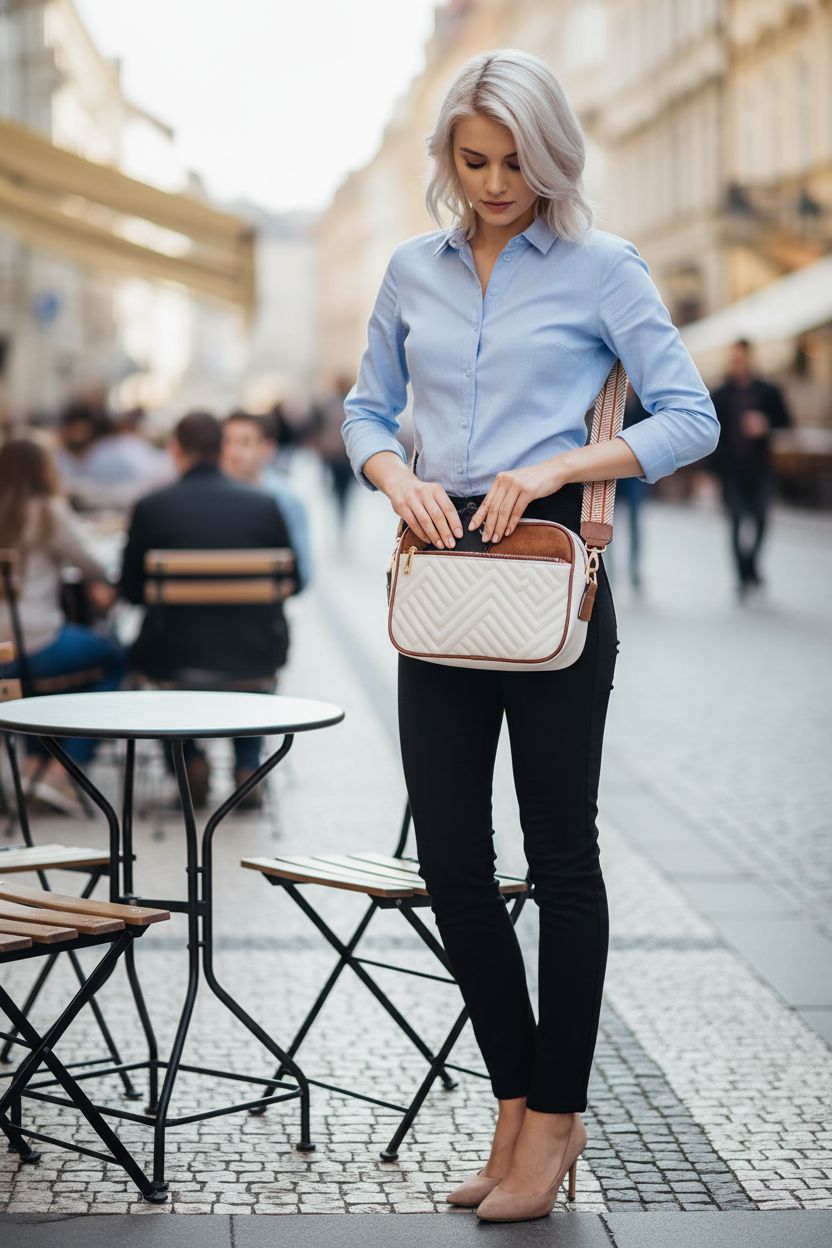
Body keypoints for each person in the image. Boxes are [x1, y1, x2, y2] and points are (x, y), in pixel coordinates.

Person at [340, 49, 719, 1224]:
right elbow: (361, 407)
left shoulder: (605, 268)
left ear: (550, 155)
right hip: (438, 570)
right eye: (473, 160)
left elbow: (689, 417)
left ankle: (553, 1121)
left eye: (515, 162)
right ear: (447, 158)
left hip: (552, 568)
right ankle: (512, 1106)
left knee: (561, 861)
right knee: (451, 860)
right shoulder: (413, 267)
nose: (496, 184)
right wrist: (392, 470)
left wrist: (558, 461)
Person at [119, 411, 298, 808]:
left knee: (149, 659)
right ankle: (247, 766)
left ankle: (187, 759)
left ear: (175, 450)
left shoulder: (151, 506)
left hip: (172, 658)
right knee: (245, 659)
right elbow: (294, 582)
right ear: (221, 450)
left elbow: (130, 592)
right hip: (255, 655)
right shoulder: (264, 505)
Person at [0, 434, 124, 812]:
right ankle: (64, 767)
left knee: (43, 676)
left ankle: (35, 762)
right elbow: (95, 565)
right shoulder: (47, 511)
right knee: (115, 658)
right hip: (33, 644)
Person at [709, 338, 792, 598]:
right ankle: (742, 576)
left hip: (760, 468)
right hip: (731, 469)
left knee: (761, 519)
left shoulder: (768, 391)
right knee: (735, 521)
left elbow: (787, 422)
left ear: (749, 358)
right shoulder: (720, 394)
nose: (737, 362)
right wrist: (708, 473)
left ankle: (751, 565)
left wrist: (765, 424)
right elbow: (710, 435)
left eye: (741, 357)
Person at [221, 410, 313, 592]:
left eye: (245, 443)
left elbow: (303, 574)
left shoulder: (286, 500)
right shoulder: (206, 495)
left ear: (268, 448)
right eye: (226, 441)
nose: (233, 451)